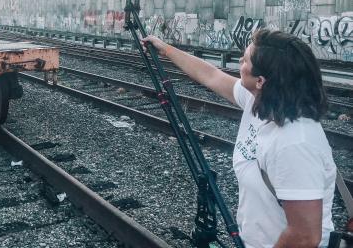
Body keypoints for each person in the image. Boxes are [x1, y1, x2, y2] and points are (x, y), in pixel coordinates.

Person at [142, 29, 336, 247]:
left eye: (245, 60)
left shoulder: (295, 144)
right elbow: (211, 76)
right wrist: (165, 49)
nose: (240, 61)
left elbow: (305, 236)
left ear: (261, 81)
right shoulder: (261, 102)